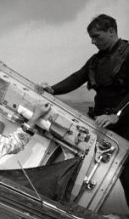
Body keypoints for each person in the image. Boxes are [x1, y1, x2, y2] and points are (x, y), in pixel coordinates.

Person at [38, 14, 129, 207]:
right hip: (103, 127)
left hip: (125, 125)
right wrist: (52, 89)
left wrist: (116, 116)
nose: (93, 41)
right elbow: (76, 78)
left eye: (97, 36)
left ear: (111, 31)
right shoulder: (96, 61)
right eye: (91, 37)